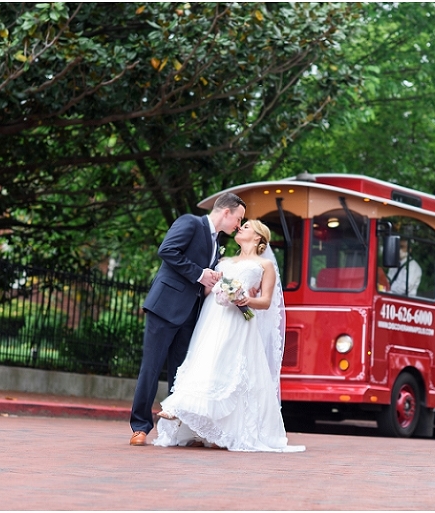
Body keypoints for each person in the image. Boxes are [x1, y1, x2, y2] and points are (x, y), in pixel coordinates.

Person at [153, 220, 305, 453]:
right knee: (204, 361)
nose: (240, 228)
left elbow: (265, 302)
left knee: (228, 369)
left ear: (258, 238)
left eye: (247, 227)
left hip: (239, 322)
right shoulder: (224, 261)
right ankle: (183, 411)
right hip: (213, 317)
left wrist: (245, 300)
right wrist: (217, 288)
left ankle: (210, 424)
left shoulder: (265, 265)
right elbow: (206, 289)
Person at [129, 193, 246, 446]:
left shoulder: (217, 242)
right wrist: (200, 273)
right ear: (226, 212)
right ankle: (140, 427)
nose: (238, 225)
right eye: (239, 219)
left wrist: (218, 284)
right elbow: (167, 250)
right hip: (165, 307)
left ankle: (174, 431)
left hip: (191, 313)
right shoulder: (191, 222)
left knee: (180, 374)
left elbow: (203, 280)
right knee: (151, 368)